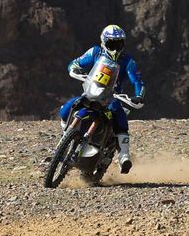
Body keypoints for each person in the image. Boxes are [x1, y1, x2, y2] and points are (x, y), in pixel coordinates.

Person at [59, 23, 145, 173]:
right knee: (69, 107)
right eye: (112, 43)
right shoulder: (95, 52)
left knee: (118, 113)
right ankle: (64, 140)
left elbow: (137, 81)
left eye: (119, 43)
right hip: (92, 92)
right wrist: (75, 69)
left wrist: (138, 96)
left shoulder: (128, 61)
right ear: (104, 41)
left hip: (112, 97)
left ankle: (124, 155)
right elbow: (75, 63)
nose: (116, 47)